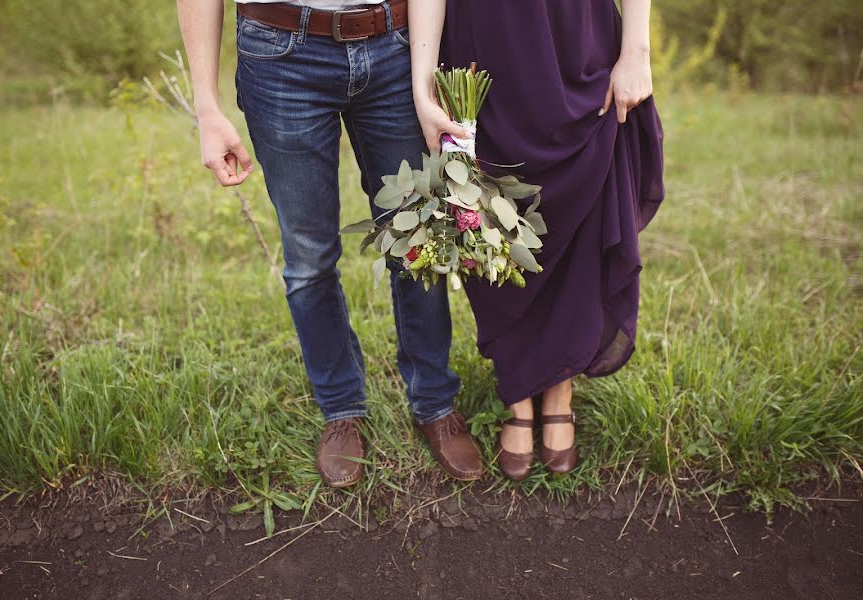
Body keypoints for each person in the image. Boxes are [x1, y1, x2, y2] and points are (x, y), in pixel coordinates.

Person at [175, 0, 485, 488]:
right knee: (309, 256)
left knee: (414, 238)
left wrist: (424, 83)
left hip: (394, 45)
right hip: (280, 57)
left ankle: (435, 402)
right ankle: (341, 406)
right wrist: (206, 105)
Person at [409, 0, 665, 479]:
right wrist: (424, 77)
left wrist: (637, 49)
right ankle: (519, 389)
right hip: (484, 38)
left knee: (581, 205)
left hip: (577, 35)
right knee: (492, 209)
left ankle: (560, 386)